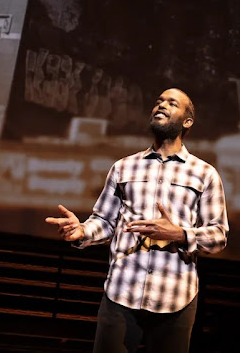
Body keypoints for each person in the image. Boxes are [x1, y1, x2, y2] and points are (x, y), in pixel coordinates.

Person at [45, 88, 229, 353]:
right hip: (122, 292)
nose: (161, 105)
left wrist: (179, 234)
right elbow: (105, 221)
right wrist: (82, 231)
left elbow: (218, 235)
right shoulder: (123, 167)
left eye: (172, 103)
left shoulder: (205, 174)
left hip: (175, 296)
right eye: (158, 102)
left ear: (187, 121)